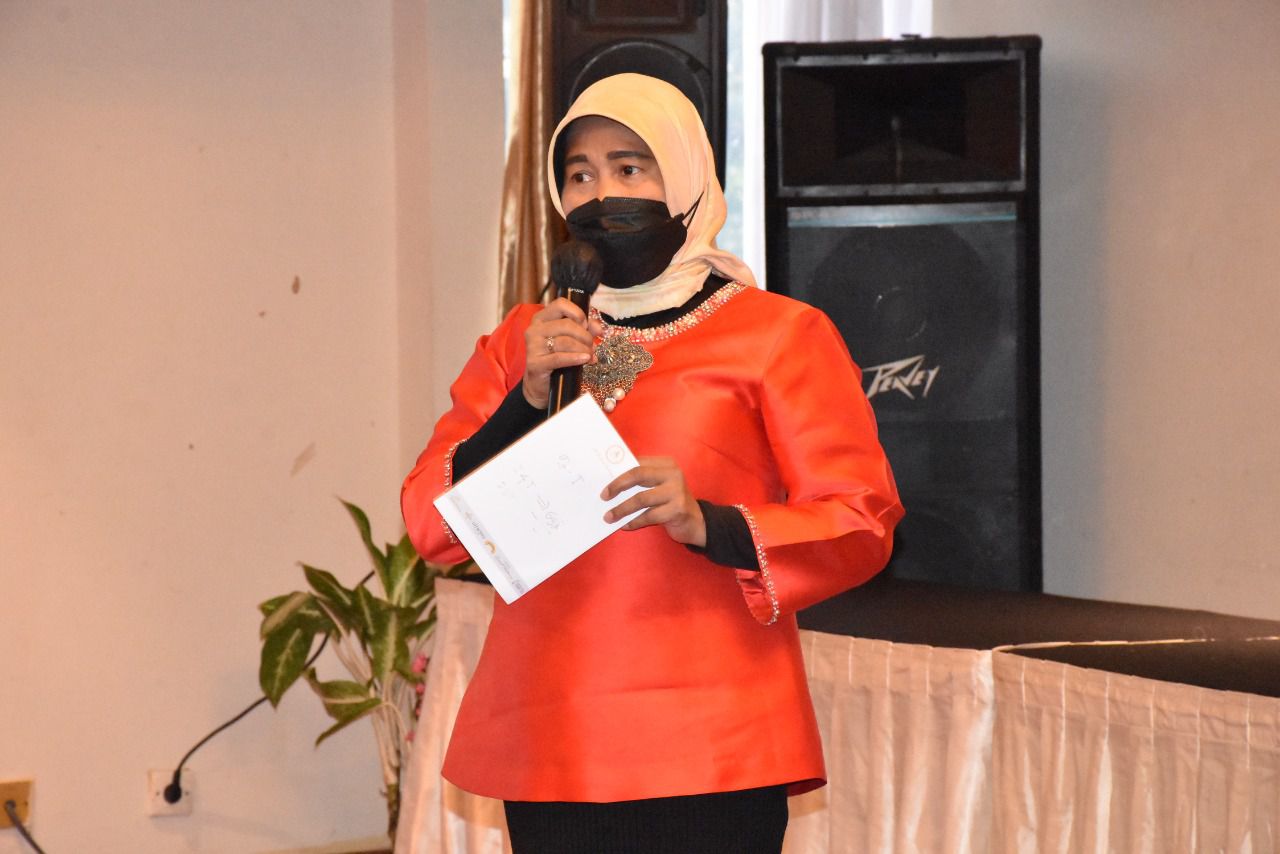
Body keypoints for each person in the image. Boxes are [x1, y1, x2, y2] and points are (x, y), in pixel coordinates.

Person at [402, 73, 903, 853]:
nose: (602, 193)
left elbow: (860, 517)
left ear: (687, 176)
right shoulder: (523, 342)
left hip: (713, 737)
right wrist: (525, 399)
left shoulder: (779, 335)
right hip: (553, 732)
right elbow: (431, 528)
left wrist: (712, 523)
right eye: (579, 174)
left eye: (630, 168)